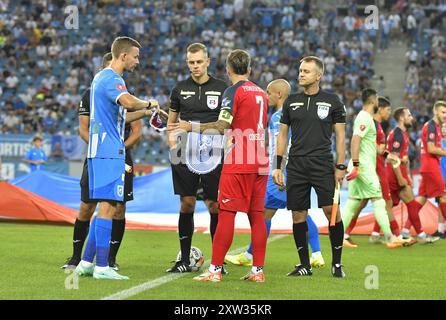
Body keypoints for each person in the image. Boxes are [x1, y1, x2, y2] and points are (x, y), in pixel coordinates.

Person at [169, 49, 269, 282]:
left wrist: (191, 127)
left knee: (226, 213)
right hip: (260, 157)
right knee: (256, 216)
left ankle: (214, 270)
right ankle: (258, 271)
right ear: (250, 69)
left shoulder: (232, 91)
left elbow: (223, 125)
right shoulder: (261, 92)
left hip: (239, 159)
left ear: (228, 69)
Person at [62, 53, 165, 271]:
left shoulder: (103, 83)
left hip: (111, 151)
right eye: (135, 56)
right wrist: (149, 103)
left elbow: (120, 118)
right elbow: (124, 104)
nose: (137, 61)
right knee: (103, 207)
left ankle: (88, 263)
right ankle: (100, 265)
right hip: (107, 152)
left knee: (109, 208)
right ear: (121, 57)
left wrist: (146, 112)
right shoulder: (110, 80)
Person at [224, 79, 325, 268]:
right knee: (284, 212)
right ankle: (316, 253)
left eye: (269, 92)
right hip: (294, 169)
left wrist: (278, 170)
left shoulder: (280, 116)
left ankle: (251, 256)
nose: (266, 95)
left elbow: (283, 144)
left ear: (279, 95)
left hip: (282, 172)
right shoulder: (294, 112)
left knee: (276, 212)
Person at [272, 56, 346, 278]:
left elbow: (341, 136)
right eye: (300, 70)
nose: (301, 74)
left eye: (306, 71)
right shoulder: (291, 101)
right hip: (296, 165)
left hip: (322, 164)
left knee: (331, 212)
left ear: (318, 75)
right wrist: (278, 166)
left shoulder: (333, 101)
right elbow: (282, 136)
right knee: (298, 214)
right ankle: (304, 265)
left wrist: (341, 165)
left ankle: (337, 264)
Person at [166, 43, 228, 273]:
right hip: (185, 152)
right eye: (191, 62)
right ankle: (184, 259)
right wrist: (172, 145)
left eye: (199, 62)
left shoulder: (222, 88)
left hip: (214, 152)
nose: (195, 66)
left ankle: (217, 263)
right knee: (187, 203)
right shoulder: (179, 89)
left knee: (214, 205)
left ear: (208, 61)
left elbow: (225, 124)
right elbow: (171, 123)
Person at [343, 97, 414, 247]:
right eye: (388, 109)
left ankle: (345, 234)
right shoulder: (371, 122)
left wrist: (388, 155)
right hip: (373, 167)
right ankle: (394, 235)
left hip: (374, 165)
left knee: (360, 202)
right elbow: (367, 144)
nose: (389, 113)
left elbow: (378, 148)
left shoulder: (378, 125)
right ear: (380, 109)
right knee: (384, 202)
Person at [385, 107, 439, 243]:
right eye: (409, 115)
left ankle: (416, 234)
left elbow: (402, 159)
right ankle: (396, 234)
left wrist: (407, 175)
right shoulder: (397, 134)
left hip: (400, 175)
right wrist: (400, 178)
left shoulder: (403, 134)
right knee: (387, 207)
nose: (412, 118)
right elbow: (393, 158)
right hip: (393, 176)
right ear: (401, 118)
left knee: (409, 204)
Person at [405, 101, 446, 241]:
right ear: (436, 112)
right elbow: (431, 148)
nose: (445, 115)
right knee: (443, 197)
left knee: (421, 199)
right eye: (443, 112)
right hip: (431, 167)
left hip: (428, 166)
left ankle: (405, 229)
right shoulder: (432, 126)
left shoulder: (434, 127)